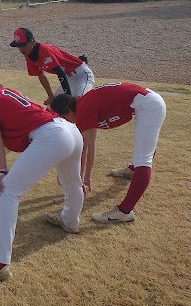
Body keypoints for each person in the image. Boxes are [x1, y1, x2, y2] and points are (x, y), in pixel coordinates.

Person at [0, 63, 83, 280]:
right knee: (72, 182)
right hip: (68, 129)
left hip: (52, 135)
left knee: (5, 192)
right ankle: (71, 222)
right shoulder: (2, 90)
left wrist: (1, 170)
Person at [50, 83, 166, 225]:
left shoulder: (83, 109)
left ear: (67, 111)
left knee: (143, 158)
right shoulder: (83, 104)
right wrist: (83, 178)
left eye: (63, 118)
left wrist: (84, 179)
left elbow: (87, 149)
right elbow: (87, 146)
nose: (66, 122)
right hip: (147, 101)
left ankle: (124, 212)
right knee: (144, 149)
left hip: (149, 105)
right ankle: (133, 170)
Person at [10, 27, 95, 104]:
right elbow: (41, 76)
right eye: (19, 46)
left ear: (32, 41)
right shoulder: (29, 55)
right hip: (69, 77)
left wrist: (68, 97)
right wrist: (51, 97)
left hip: (82, 75)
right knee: (53, 109)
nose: (21, 49)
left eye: (23, 45)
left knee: (75, 105)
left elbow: (60, 73)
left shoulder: (44, 50)